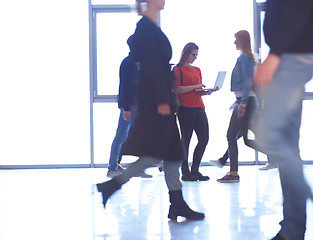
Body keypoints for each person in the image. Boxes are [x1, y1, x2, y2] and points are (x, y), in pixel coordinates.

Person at [96, 0, 205, 221]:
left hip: (161, 99)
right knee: (157, 154)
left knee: (173, 153)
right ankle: (113, 185)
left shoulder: (150, 25)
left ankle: (177, 204)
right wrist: (161, 100)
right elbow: (150, 67)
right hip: (157, 103)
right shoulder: (145, 27)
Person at [254, 0, 313, 239]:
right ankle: (292, 228)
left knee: (271, 136)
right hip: (291, 59)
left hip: (292, 59)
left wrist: (274, 55)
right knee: (285, 143)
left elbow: (299, 7)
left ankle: (296, 219)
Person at [107, 35, 152, 179]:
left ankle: (119, 167)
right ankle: (112, 168)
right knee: (123, 136)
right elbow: (124, 87)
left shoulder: (140, 63)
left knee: (126, 136)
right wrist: (125, 108)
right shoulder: (127, 63)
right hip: (130, 106)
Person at [216, 30, 258, 183]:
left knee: (238, 137)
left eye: (236, 40)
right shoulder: (244, 57)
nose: (234, 43)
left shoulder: (245, 58)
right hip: (243, 101)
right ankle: (232, 171)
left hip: (246, 102)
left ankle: (233, 173)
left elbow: (248, 83)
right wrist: (237, 102)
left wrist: (243, 103)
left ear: (242, 41)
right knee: (236, 136)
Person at [173, 43, 217, 181]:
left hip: (199, 106)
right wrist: (196, 86)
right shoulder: (177, 69)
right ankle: (185, 171)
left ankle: (195, 169)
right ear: (186, 53)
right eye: (194, 54)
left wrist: (207, 92)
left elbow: (196, 92)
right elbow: (177, 90)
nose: (195, 58)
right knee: (186, 140)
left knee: (204, 138)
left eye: (197, 55)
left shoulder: (197, 69)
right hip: (185, 108)